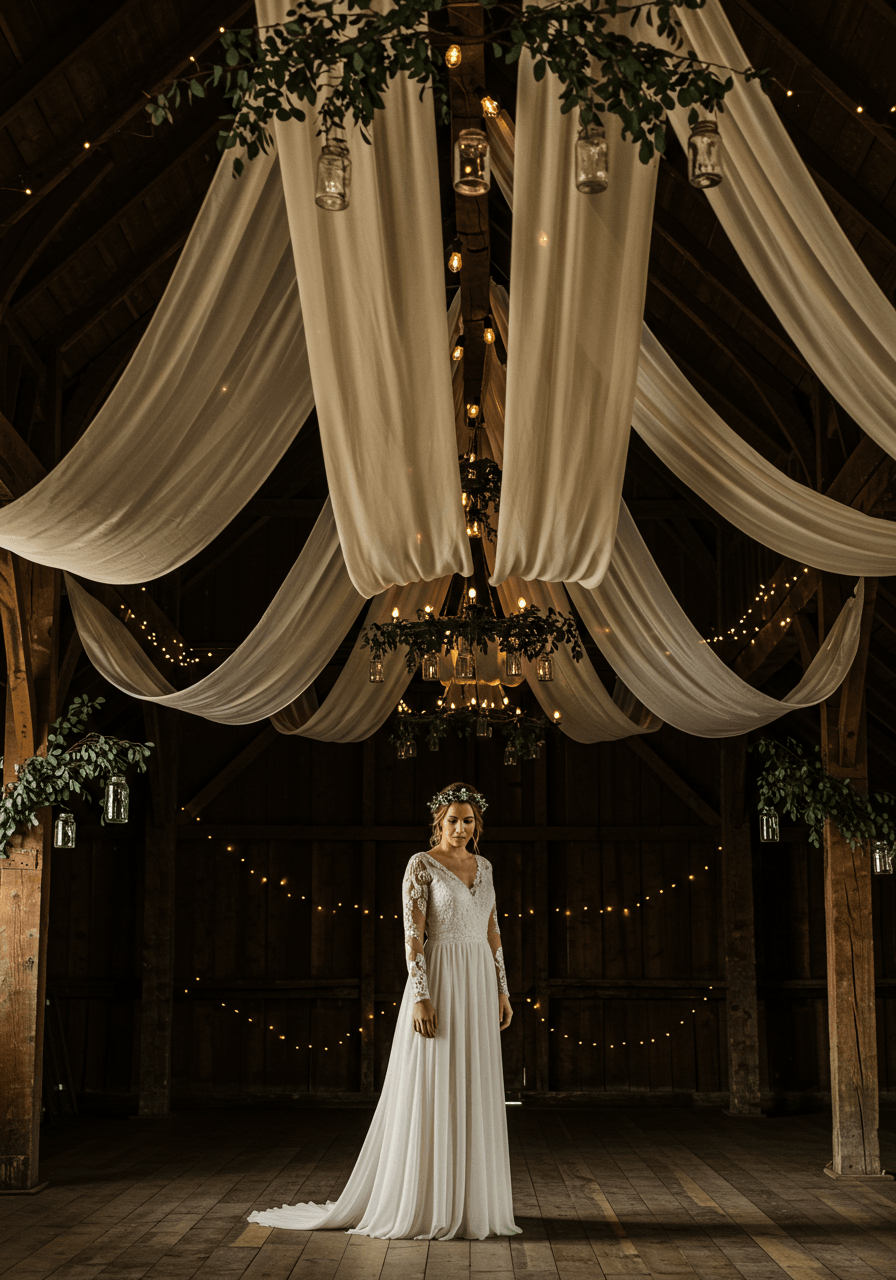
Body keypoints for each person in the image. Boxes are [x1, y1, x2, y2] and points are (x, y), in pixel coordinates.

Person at [247, 781, 521, 1240]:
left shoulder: (485, 866)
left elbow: (493, 931)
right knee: (436, 1079)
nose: (460, 827)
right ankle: (426, 1200)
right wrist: (420, 994)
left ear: (478, 824)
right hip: (441, 978)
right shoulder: (421, 865)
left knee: (473, 1081)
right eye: (452, 820)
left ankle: (472, 1203)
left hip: (478, 980)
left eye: (468, 820)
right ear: (439, 821)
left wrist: (502, 991)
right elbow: (413, 937)